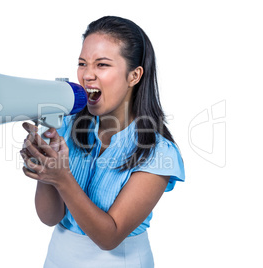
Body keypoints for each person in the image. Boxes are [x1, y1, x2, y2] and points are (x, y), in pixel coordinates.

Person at [21, 16, 185, 268]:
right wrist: (46, 174)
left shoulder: (157, 152)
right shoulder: (67, 125)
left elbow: (109, 236)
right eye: (82, 63)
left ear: (134, 75)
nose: (87, 75)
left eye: (102, 65)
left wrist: (62, 178)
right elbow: (50, 217)